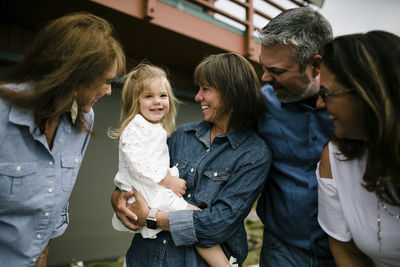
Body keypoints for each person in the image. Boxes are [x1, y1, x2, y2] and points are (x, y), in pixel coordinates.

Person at [111, 52, 271, 266]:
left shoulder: (254, 154)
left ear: (231, 93)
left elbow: (218, 223)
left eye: (206, 89)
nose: (197, 97)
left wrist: (151, 216)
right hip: (144, 258)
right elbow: (143, 175)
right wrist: (117, 197)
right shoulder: (182, 135)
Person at [0, 12, 125, 267]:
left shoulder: (84, 120)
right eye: (105, 81)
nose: (109, 91)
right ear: (74, 75)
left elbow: (50, 207)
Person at [256, 7, 335, 266]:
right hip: (281, 248)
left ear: (316, 65)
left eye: (277, 71)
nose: (265, 79)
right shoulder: (259, 104)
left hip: (346, 252)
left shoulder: (357, 108)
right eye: (263, 67)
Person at [316, 30, 400, 267]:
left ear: (367, 92)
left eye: (326, 93)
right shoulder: (335, 158)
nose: (319, 103)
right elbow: (346, 251)